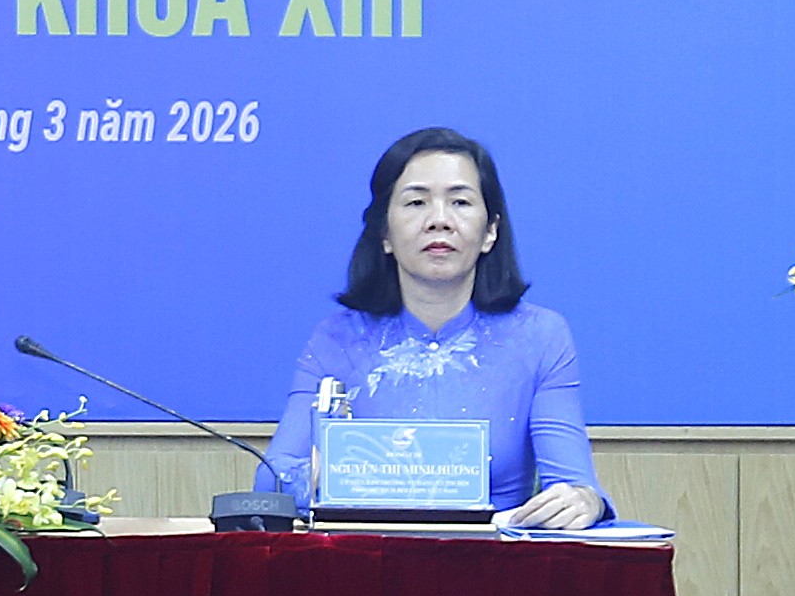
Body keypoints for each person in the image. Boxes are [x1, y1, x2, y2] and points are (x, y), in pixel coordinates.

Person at [257, 128, 605, 532]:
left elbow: (575, 484)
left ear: (490, 231)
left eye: (460, 202)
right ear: (384, 233)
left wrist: (583, 501)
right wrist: (334, 474)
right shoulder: (337, 340)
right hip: (367, 557)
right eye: (416, 202)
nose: (439, 220)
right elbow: (270, 482)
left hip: (494, 560)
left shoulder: (541, 336)